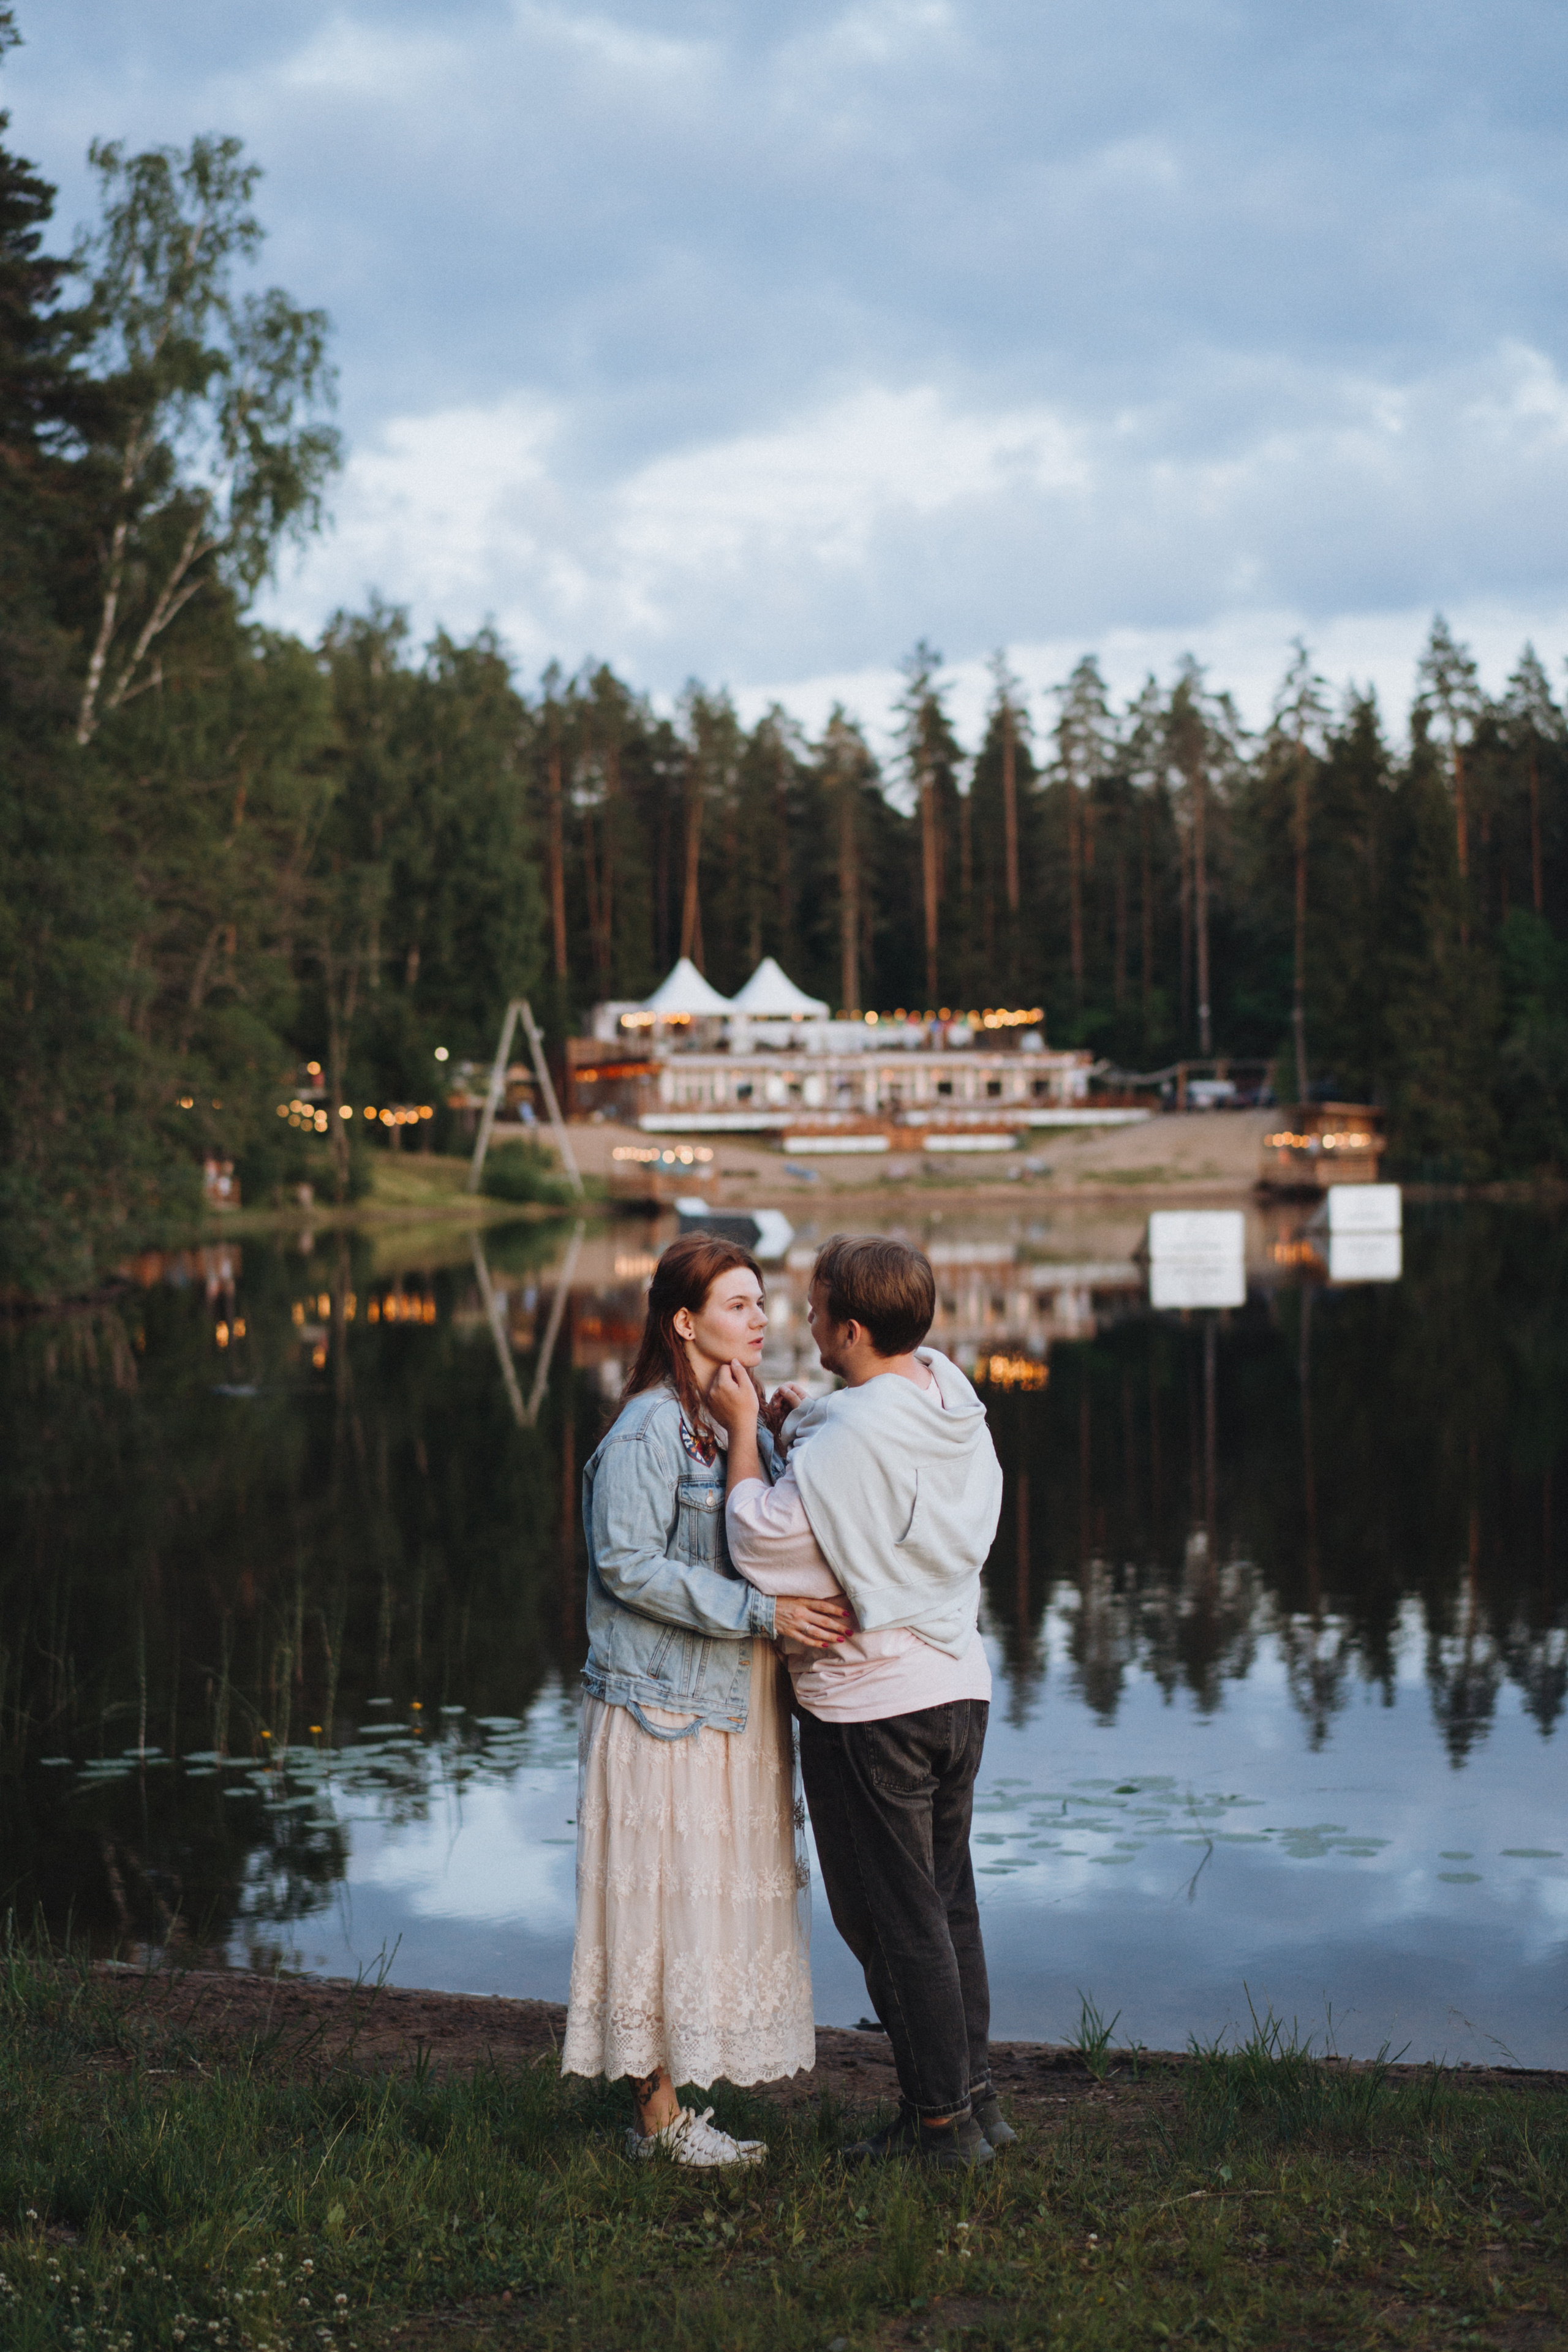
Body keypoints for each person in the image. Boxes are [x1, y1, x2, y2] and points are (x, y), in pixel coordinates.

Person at [708, 1234, 1009, 2170]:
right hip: (958, 1685)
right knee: (948, 1904)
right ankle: (975, 2100)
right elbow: (870, 1465)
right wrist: (806, 1420)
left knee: (891, 1919)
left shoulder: (849, 1437)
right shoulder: (948, 1396)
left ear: (850, 1329)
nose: (802, 1321)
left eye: (814, 1309)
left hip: (871, 1706)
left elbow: (763, 1541)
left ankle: (938, 2128)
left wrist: (744, 1437)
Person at [560, 1233, 853, 2166]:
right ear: (684, 1323)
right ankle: (657, 2124)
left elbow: (766, 1523)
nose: (761, 1318)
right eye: (738, 1304)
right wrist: (763, 1614)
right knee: (654, 1912)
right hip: (660, 1709)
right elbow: (626, 1564)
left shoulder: (730, 1416)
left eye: (762, 1302)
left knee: (697, 1908)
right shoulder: (649, 1426)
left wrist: (778, 1429)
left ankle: (674, 2112)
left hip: (726, 1705)